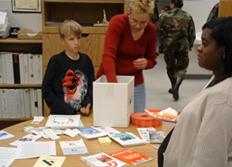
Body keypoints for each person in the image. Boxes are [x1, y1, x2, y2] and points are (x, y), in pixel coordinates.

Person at [160, 17, 232, 167]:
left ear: (224, 51)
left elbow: (209, 161)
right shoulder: (217, 81)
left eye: (205, 44)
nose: (199, 48)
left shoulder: (222, 100)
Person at [97, 0, 157, 112]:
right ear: (129, 13)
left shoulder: (151, 30)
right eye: (134, 20)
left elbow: (152, 60)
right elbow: (108, 55)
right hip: (111, 77)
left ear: (149, 18)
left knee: (137, 117)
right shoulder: (117, 22)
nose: (138, 25)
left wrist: (146, 63)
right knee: (110, 118)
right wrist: (114, 85)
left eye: (143, 22)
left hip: (135, 81)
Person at [42, 20, 95, 115]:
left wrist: (88, 103)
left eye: (78, 38)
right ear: (62, 40)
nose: (76, 42)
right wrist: (65, 109)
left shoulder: (86, 60)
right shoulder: (55, 61)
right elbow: (46, 90)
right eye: (71, 39)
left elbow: (91, 86)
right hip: (61, 115)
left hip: (83, 114)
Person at [158, 0, 195, 101]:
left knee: (170, 67)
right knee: (182, 67)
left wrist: (161, 45)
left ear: (172, 4)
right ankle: (177, 84)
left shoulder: (164, 16)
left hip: (168, 45)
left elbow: (159, 31)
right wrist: (190, 44)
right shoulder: (188, 16)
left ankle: (174, 85)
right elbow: (191, 32)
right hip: (182, 45)